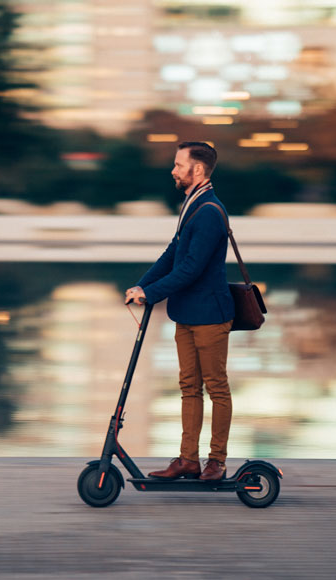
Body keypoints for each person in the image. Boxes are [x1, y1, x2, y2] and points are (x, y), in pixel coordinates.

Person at [124, 141, 234, 481]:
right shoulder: (193, 204)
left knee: (216, 387)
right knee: (189, 386)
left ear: (197, 169)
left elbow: (191, 268)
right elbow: (172, 254)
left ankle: (216, 461)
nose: (173, 170)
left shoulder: (210, 211)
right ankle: (188, 460)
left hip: (210, 315)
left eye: (178, 164)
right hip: (186, 312)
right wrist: (141, 286)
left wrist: (152, 293)